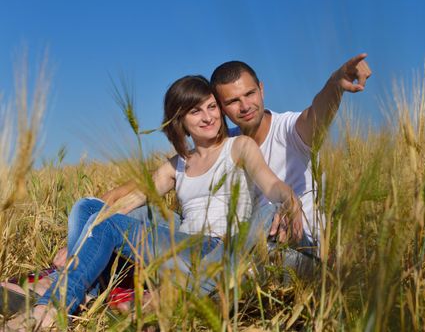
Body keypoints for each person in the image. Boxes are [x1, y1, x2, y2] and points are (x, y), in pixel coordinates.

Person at [4, 75, 303, 329]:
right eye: (196, 111)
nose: (209, 117)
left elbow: (270, 183)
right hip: (176, 247)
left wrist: (289, 199)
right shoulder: (178, 164)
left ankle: (51, 308)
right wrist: (82, 237)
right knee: (88, 206)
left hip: (213, 249)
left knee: (264, 214)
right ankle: (83, 289)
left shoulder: (239, 147)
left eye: (212, 107)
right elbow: (129, 203)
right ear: (180, 121)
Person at [210, 53, 371, 250]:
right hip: (247, 246)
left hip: (300, 247)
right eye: (233, 101)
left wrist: (335, 84)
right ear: (220, 109)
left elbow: (315, 115)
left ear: (261, 90)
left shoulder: (289, 129)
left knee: (267, 215)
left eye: (250, 94)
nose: (245, 106)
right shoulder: (226, 145)